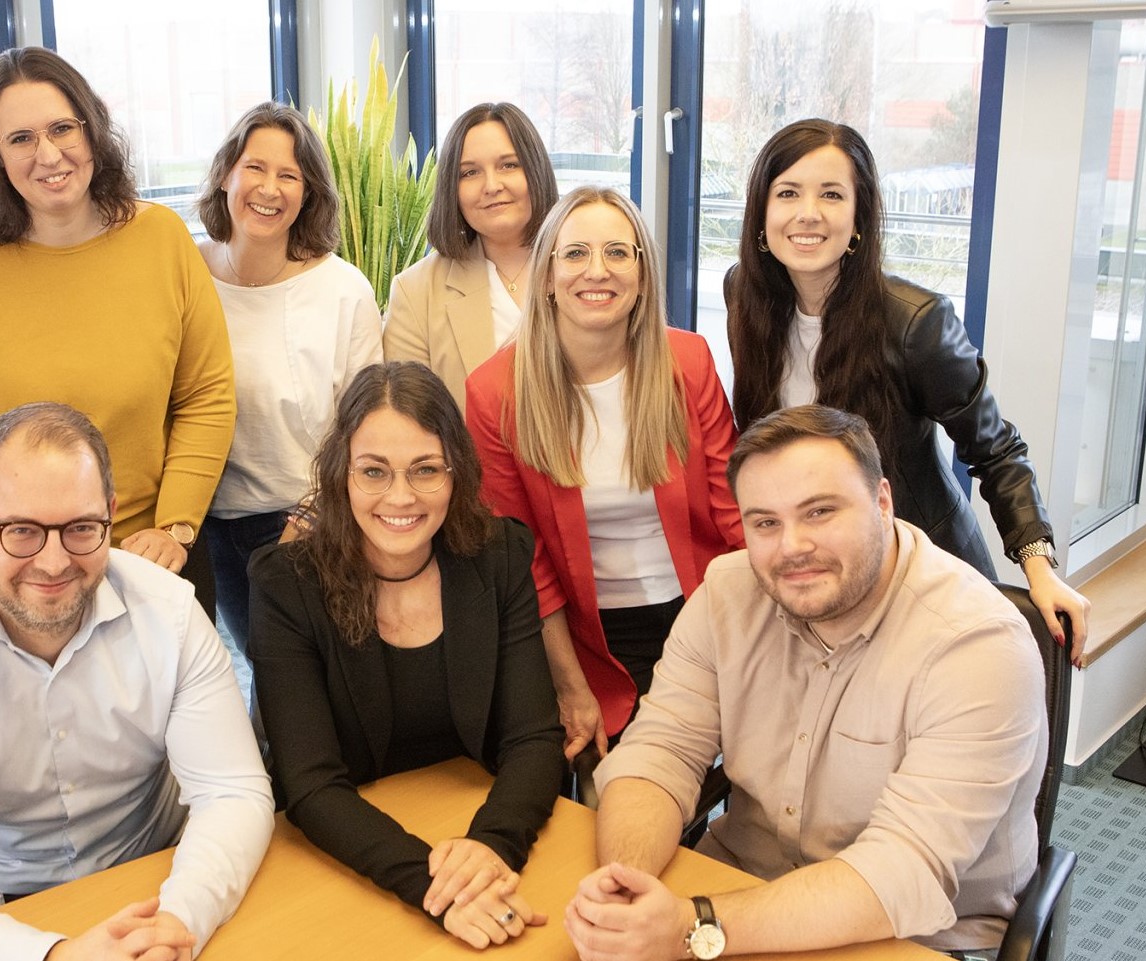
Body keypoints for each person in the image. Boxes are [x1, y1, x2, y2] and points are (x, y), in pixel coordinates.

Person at [565, 404, 1046, 960]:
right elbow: (660, 752)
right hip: (738, 897)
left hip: (912, 935)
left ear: (883, 502)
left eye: (819, 512)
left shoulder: (977, 645)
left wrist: (688, 925)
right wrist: (624, 884)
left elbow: (902, 870)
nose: (791, 546)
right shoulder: (726, 592)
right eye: (765, 522)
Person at [0, 403, 272, 961]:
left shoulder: (169, 612)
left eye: (80, 529)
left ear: (111, 517)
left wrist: (174, 925)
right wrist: (56, 957)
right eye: (21, 530)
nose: (53, 562)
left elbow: (233, 792)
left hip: (155, 878)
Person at [725, 117, 1090, 661]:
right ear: (762, 214)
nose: (808, 213)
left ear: (858, 221)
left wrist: (1039, 569)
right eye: (788, 193)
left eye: (831, 194)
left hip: (920, 567)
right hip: (816, 567)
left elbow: (996, 450)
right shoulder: (744, 296)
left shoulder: (915, 322)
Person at [0, 47, 234, 610]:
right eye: (20, 138)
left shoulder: (163, 239)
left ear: (92, 131)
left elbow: (207, 396)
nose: (48, 153)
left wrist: (176, 526)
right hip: (19, 570)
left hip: (150, 559)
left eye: (61, 128)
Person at [248, 361, 565, 950]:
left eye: (426, 470)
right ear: (342, 473)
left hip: (466, 822)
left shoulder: (498, 557)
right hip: (348, 855)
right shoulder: (287, 583)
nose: (401, 497)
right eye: (374, 471)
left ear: (457, 472)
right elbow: (310, 784)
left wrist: (490, 849)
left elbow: (534, 740)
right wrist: (433, 885)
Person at [466, 187, 744, 762]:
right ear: (545, 275)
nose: (599, 271)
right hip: (581, 641)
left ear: (642, 275)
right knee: (611, 790)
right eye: (576, 254)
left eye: (619, 253)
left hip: (703, 615)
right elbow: (525, 560)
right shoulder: (495, 393)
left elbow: (733, 515)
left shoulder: (688, 364)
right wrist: (571, 686)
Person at [196, 100, 381, 654]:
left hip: (310, 520)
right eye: (255, 167)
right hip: (208, 525)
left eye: (289, 175)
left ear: (309, 193)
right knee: (257, 669)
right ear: (227, 173)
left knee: (310, 675)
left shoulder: (343, 289)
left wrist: (315, 513)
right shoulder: (185, 273)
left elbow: (367, 424)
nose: (269, 188)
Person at [385, 102, 558, 409]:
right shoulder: (416, 292)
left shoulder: (588, 269)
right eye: (470, 172)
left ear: (536, 170)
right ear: (453, 189)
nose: (492, 186)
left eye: (509, 165)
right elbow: (413, 423)